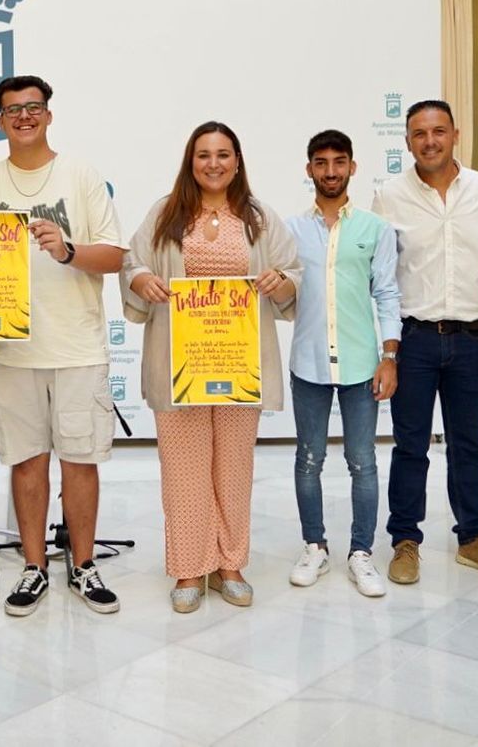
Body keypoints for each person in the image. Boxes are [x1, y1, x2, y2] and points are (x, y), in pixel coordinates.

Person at [0, 75, 127, 616]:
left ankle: (84, 565)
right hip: (11, 352)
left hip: (77, 346)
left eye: (33, 107)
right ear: (0, 121)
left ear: (49, 115)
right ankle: (33, 567)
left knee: (80, 462)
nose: (24, 116)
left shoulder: (81, 175)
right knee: (26, 463)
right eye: (13, 109)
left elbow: (115, 256)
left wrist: (68, 249)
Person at [124, 121, 299, 612]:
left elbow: (293, 274)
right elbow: (133, 263)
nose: (214, 163)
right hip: (181, 363)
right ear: (191, 161)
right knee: (183, 468)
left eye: (223, 154)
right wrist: (142, 282)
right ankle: (189, 566)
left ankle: (230, 564)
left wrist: (279, 281)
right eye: (204, 155)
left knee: (234, 466)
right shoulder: (166, 213)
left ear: (237, 162)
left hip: (239, 363)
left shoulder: (259, 217)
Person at [372, 99, 478, 586]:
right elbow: (381, 277)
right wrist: (387, 350)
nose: (429, 141)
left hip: (472, 340)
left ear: (455, 134)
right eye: (419, 133)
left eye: (438, 131)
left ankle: (473, 538)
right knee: (410, 446)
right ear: (407, 141)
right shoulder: (389, 195)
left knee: (469, 446)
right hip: (414, 339)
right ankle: (405, 541)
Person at [284, 129, 399, 597]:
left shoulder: (376, 229)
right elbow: (280, 290)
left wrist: (389, 356)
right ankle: (314, 546)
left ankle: (361, 553)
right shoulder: (290, 230)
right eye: (321, 162)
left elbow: (387, 294)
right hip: (308, 362)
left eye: (339, 162)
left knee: (362, 461)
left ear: (352, 167)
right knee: (308, 460)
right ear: (309, 169)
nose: (330, 171)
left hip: (360, 364)